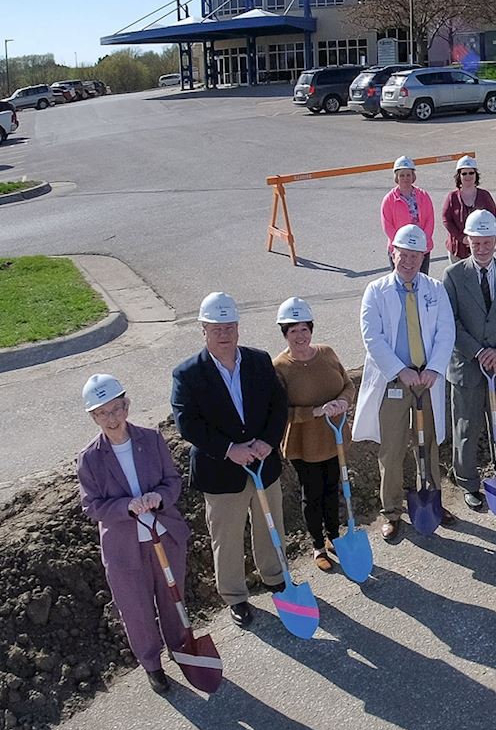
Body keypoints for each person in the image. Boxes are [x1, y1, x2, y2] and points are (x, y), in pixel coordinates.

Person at [170, 291, 289, 629]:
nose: (224, 334)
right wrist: (229, 450)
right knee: (227, 536)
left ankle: (274, 577)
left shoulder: (259, 361)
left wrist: (267, 441)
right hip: (221, 470)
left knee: (271, 525)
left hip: (264, 463)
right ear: (203, 330)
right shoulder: (187, 375)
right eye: (216, 328)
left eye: (229, 327)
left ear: (238, 327)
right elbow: (187, 423)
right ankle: (235, 597)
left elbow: (278, 405)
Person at [76, 374, 194, 693]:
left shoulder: (151, 438)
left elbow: (173, 480)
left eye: (116, 409)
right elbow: (92, 506)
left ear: (126, 406)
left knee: (172, 598)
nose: (112, 419)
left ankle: (181, 648)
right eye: (103, 413)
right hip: (124, 548)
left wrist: (160, 497)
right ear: (93, 417)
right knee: (136, 609)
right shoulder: (89, 458)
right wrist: (127, 507)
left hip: (163, 535)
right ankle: (152, 664)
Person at [354, 225, 457, 541]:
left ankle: (433, 501)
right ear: (392, 253)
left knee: (428, 445)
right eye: (404, 254)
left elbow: (445, 332)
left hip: (427, 380)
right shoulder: (376, 291)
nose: (409, 261)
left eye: (416, 256)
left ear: (423, 256)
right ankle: (392, 512)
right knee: (392, 449)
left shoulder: (435, 289)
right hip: (394, 382)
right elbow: (372, 337)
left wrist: (435, 369)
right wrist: (401, 371)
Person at [442, 210, 496, 510]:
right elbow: (451, 321)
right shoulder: (453, 276)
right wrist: (478, 352)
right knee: (467, 425)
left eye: (487, 242)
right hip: (467, 365)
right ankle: (467, 481)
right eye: (475, 242)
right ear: (467, 240)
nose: (481, 248)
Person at [271, 297, 356, 572]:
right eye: (293, 330)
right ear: (285, 333)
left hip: (334, 437)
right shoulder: (279, 367)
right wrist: (316, 411)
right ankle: (318, 545)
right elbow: (280, 411)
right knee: (313, 493)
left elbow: (348, 385)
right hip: (304, 443)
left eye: (304, 329)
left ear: (312, 329)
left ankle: (334, 536)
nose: (300, 336)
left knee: (334, 489)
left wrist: (343, 401)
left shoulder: (327, 353)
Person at [380, 155, 436, 273]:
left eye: (408, 175)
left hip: (421, 249)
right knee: (400, 284)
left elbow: (430, 220)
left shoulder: (423, 196)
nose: (405, 178)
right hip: (400, 250)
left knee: (421, 283)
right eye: (402, 175)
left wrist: (423, 241)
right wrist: (402, 245)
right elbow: (388, 226)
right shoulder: (389, 199)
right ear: (397, 177)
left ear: (413, 176)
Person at [442, 156, 496, 263]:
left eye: (471, 173)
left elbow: (492, 219)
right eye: (464, 173)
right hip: (457, 250)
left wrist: (480, 239)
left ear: (476, 175)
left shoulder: (485, 196)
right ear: (459, 176)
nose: (468, 176)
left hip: (481, 251)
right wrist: (461, 238)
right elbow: (446, 220)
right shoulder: (452, 197)